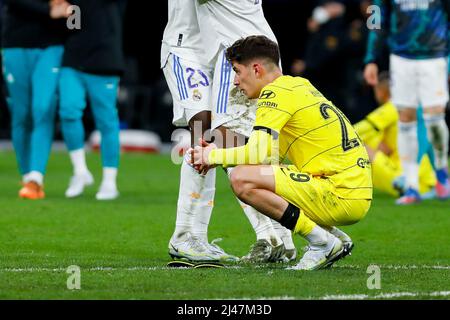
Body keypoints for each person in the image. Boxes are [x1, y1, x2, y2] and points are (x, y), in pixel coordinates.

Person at [192, 35, 372, 270]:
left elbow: (257, 152)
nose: (235, 81)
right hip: (355, 188)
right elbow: (269, 157)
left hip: (339, 193)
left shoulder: (273, 94)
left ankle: (322, 242)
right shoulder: (300, 85)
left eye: (237, 71)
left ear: (256, 69)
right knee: (258, 173)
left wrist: (211, 157)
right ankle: (334, 237)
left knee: (241, 178)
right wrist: (219, 150)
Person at [162, 0, 295, 263]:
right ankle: (189, 236)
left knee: (229, 140)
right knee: (207, 132)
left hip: (227, 48)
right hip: (187, 47)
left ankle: (276, 234)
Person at [363, 0, 450, 204]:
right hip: (401, 59)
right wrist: (371, 59)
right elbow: (375, 21)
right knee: (405, 121)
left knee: (435, 118)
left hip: (434, 56)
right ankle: (412, 187)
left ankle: (441, 171)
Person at [1, 0, 70, 199]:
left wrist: (70, 11)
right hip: (15, 44)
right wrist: (49, 9)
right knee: (21, 114)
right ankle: (27, 176)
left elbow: (74, 9)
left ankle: (36, 177)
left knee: (43, 108)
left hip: (51, 45)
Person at [58, 0, 125, 200]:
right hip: (73, 59)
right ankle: (80, 171)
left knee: (106, 121)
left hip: (104, 60)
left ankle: (109, 180)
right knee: (68, 112)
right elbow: (71, 22)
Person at [354, 72, 436, 197]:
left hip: (405, 175)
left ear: (381, 90)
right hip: (425, 176)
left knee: (358, 146)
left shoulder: (391, 108)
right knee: (374, 142)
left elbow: (357, 130)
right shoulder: (410, 108)